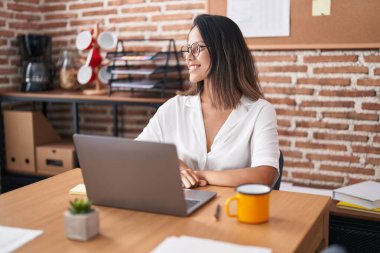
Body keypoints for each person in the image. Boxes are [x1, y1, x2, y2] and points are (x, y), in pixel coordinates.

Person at [136, 14, 279, 189]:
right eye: (187, 49)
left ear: (224, 50)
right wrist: (174, 164)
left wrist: (197, 175)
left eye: (197, 48)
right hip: (182, 209)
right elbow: (137, 153)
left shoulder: (261, 111)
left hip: (233, 209)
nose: (188, 56)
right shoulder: (174, 107)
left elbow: (265, 175)